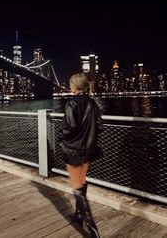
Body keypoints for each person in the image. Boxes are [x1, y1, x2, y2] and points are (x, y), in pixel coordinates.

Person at [58, 73, 102, 238]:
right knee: (81, 182)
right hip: (88, 150)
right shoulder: (92, 103)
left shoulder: (71, 103)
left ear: (75, 87)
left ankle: (92, 229)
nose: (69, 87)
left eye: (70, 84)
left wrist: (61, 136)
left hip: (73, 150)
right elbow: (99, 126)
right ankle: (78, 215)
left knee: (77, 186)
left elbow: (69, 128)